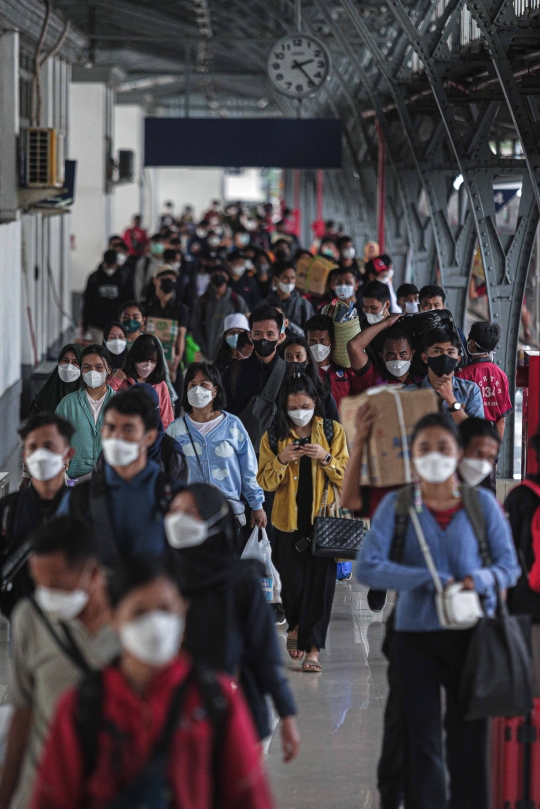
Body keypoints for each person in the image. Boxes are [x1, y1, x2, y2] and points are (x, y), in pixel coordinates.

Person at [357, 413, 520, 809]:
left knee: (469, 737)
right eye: (424, 449)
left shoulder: (480, 504)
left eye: (443, 448)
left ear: (458, 453)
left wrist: (475, 581)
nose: (434, 457)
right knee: (422, 739)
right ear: (412, 458)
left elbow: (508, 566)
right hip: (415, 638)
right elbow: (367, 567)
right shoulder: (398, 506)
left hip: (471, 636)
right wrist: (424, 579)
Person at [30, 557, 275, 809]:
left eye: (165, 609)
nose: (156, 625)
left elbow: (249, 798)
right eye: (139, 613)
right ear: (113, 618)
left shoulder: (215, 698)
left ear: (183, 610)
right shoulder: (82, 707)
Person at [165, 484, 299, 756]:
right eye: (174, 510)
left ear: (216, 518)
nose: (179, 520)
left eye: (192, 512)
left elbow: (265, 653)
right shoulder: (161, 579)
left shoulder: (239, 582)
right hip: (173, 716)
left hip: (233, 712)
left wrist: (286, 714)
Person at [0, 517, 118, 809]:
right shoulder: (30, 617)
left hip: (113, 787)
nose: (46, 598)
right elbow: (23, 712)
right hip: (43, 785)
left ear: (91, 573)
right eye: (40, 585)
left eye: (56, 586)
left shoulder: (129, 616)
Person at [257, 374, 349, 672]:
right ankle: (294, 625)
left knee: (321, 590)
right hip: (287, 523)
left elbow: (347, 476)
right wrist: (281, 459)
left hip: (325, 523)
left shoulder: (333, 432)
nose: (300, 411)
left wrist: (325, 458)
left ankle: (313, 650)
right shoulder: (273, 436)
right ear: (284, 407)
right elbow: (264, 482)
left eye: (306, 405)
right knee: (293, 586)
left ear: (315, 404)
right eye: (294, 406)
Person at [62, 388, 172, 562]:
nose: (117, 437)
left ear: (149, 437)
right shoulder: (80, 499)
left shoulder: (172, 497)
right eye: (111, 428)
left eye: (128, 429)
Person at [167, 363, 266, 532]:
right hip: (189, 515)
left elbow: (248, 468)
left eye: (204, 384)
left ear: (215, 391)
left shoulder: (232, 426)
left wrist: (257, 505)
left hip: (228, 513)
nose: (197, 390)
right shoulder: (174, 430)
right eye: (192, 385)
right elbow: (167, 472)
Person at [0, 413, 75, 619]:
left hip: (74, 614)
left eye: (49, 446)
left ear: (68, 453)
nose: (40, 454)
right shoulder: (8, 509)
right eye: (33, 447)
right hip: (23, 615)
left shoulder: (84, 506)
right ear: (25, 457)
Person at [505, 428, 540, 699]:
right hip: (527, 605)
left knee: (529, 690)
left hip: (527, 603)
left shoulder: (521, 496)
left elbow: (508, 556)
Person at [222, 306, 287, 436]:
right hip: (242, 451)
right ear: (249, 336)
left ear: (280, 337)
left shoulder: (291, 373)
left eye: (270, 334)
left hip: (281, 452)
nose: (264, 339)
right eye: (258, 334)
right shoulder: (233, 373)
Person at [55, 345, 115, 480]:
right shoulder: (68, 403)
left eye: (99, 367)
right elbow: (55, 437)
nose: (93, 372)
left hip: (111, 477)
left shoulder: (121, 403)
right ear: (81, 370)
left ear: (109, 370)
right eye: (87, 367)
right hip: (75, 477)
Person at [457, 321, 512, 439]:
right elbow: (501, 421)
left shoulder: (462, 375)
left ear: (471, 344)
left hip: (468, 438)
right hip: (489, 439)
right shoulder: (501, 376)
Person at [118, 300, 178, 408]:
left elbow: (163, 371)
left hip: (151, 395)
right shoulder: (115, 343)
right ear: (120, 319)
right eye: (126, 317)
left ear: (143, 320)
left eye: (135, 317)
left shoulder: (151, 342)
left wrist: (170, 398)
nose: (130, 321)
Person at [110, 334, 174, 429]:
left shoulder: (161, 386)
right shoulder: (120, 378)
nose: (148, 365)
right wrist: (115, 381)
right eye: (144, 360)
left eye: (153, 361)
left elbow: (167, 421)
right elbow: (103, 404)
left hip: (151, 439)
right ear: (134, 357)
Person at [420, 328, 484, 421]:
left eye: (450, 352)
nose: (445, 357)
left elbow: (477, 433)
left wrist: (451, 399)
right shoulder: (409, 393)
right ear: (425, 358)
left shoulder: (471, 391)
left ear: (458, 360)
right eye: (438, 351)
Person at [304, 314, 363, 409]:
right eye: (313, 341)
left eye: (322, 340)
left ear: (331, 341)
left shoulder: (346, 370)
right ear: (306, 342)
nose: (318, 346)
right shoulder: (304, 372)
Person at [192, 264, 248, 362]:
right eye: (215, 274)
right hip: (208, 355)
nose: (218, 276)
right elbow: (195, 326)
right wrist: (203, 347)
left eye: (221, 274)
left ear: (227, 276)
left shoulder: (236, 300)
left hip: (233, 356)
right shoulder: (203, 301)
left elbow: (245, 326)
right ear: (210, 277)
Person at [347, 325, 422, 392]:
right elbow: (354, 346)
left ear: (412, 354)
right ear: (382, 356)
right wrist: (386, 323)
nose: (397, 359)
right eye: (391, 355)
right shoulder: (374, 377)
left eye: (402, 354)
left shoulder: (423, 379)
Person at [281, 336, 339, 421]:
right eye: (289, 357)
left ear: (307, 360)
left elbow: (335, 423)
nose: (294, 361)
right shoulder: (277, 387)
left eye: (299, 356)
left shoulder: (322, 391)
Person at [81, 250, 131, 345]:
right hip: (97, 325)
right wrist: (85, 324)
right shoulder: (94, 278)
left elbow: (128, 301)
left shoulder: (124, 278)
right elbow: (88, 302)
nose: (110, 268)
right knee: (100, 353)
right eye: (108, 265)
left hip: (117, 324)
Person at [29, 343, 83, 415]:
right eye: (65, 361)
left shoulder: (90, 398)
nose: (68, 366)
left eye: (75, 362)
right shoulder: (44, 396)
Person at [262, 260, 314, 333]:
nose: (290, 281)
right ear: (276, 280)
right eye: (285, 278)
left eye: (292, 278)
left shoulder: (303, 304)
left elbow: (310, 330)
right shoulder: (265, 304)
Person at [458, 417, 500, 491]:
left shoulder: (485, 497)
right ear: (459, 450)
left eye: (490, 458)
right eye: (477, 454)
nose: (483, 465)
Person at [132, 233, 166, 300]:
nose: (157, 245)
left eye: (159, 242)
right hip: (147, 299)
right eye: (155, 243)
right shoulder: (144, 262)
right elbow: (138, 282)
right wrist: (138, 300)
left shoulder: (167, 261)